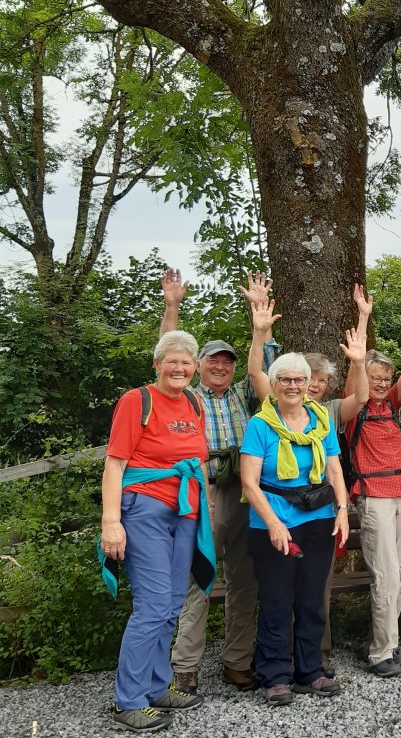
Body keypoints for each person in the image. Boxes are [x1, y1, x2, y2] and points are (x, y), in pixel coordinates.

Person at [100, 330, 213, 732]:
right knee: (151, 606)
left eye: (186, 362)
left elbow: (195, 459)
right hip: (144, 506)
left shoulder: (195, 403)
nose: (179, 368)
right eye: (172, 361)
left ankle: (154, 685)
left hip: (185, 509)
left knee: (170, 605)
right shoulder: (137, 401)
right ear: (157, 364)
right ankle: (127, 700)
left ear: (195, 367)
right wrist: (111, 523)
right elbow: (115, 465)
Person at [165, 269, 264, 695]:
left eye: (227, 362)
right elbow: (169, 354)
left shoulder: (245, 394)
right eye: (213, 361)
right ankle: (185, 666)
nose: (220, 367)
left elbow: (260, 363)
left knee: (245, 581)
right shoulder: (188, 396)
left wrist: (258, 318)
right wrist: (172, 307)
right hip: (200, 494)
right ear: (200, 366)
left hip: (243, 493)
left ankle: (237, 662)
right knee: (198, 579)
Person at [240, 328, 352, 705]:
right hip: (273, 521)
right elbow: (250, 482)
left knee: (310, 598)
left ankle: (310, 671)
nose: (293, 386)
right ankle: (274, 674)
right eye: (285, 379)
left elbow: (335, 470)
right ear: (273, 384)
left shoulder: (321, 420)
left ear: (309, 384)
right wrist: (273, 522)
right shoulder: (260, 425)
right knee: (276, 599)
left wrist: (342, 510)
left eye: (299, 380)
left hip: (318, 517)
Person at [340, 286, 401, 678]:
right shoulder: (354, 408)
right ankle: (380, 652)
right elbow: (355, 378)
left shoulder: (391, 402)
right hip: (372, 494)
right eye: (375, 376)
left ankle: (385, 641)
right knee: (385, 575)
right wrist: (363, 317)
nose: (380, 382)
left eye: (384, 377)